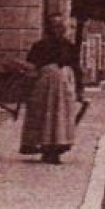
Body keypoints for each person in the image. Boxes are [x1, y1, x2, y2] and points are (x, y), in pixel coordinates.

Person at [19, 26, 76, 164]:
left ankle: (48, 148)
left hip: (49, 81)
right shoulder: (67, 46)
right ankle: (53, 149)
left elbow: (32, 65)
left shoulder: (45, 45)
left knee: (46, 114)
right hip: (60, 81)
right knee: (57, 116)